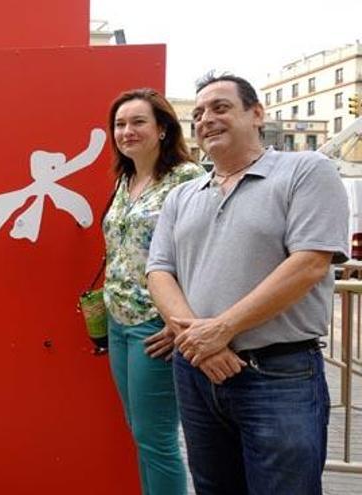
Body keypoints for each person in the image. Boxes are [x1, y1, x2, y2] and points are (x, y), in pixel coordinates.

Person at [147, 73, 348, 494]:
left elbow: (310, 263)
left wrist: (222, 330)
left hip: (278, 375)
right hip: (198, 372)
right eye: (199, 114)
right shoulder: (183, 195)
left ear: (257, 114)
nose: (206, 120)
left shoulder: (306, 171)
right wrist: (201, 344)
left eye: (221, 108)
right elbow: (159, 271)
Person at [102, 88, 203, 495]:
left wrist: (181, 321)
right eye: (120, 124)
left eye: (138, 122)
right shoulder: (126, 179)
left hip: (156, 326)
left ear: (162, 128)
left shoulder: (187, 179)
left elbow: (203, 253)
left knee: (156, 438)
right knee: (140, 432)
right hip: (119, 320)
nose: (127, 131)